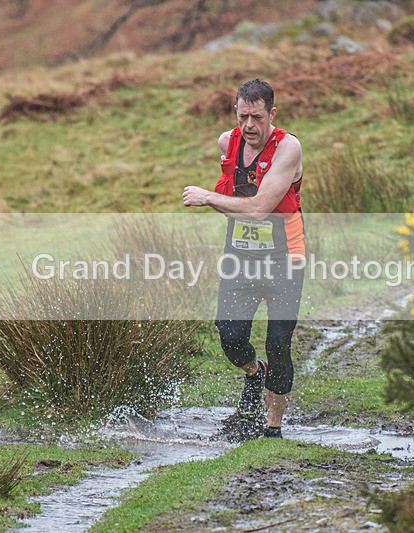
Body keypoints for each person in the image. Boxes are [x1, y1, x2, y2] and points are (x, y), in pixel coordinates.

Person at [183, 79, 305, 439]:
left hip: (286, 258)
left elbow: (259, 209)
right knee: (230, 334)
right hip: (240, 256)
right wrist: (218, 201)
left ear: (272, 114)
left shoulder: (288, 148)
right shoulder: (228, 143)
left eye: (256, 117)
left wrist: (207, 196)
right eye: (242, 116)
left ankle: (273, 427)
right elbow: (232, 208)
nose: (249, 125)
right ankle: (255, 373)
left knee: (279, 342)